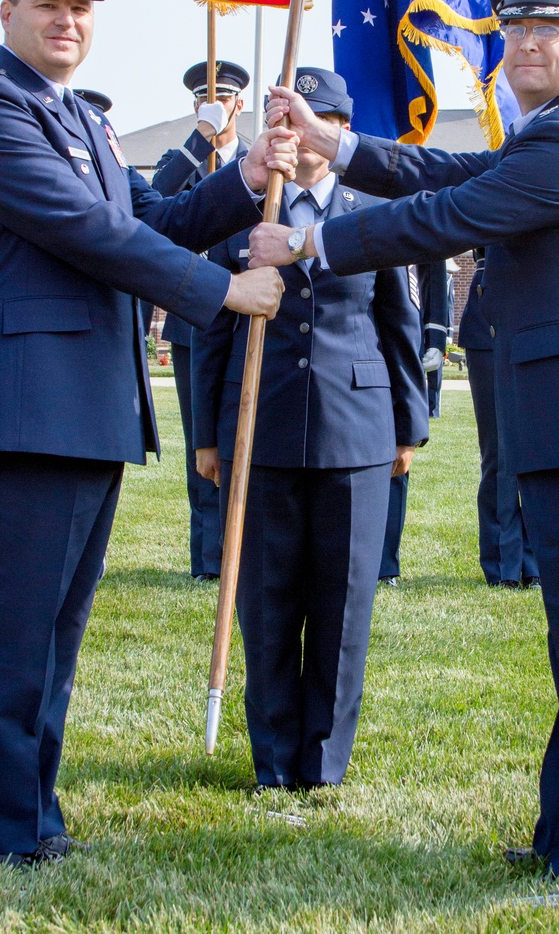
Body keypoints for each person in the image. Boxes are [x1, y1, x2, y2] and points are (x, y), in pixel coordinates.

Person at [249, 0, 559, 879]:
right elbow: (447, 170)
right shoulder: (554, 130)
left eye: (550, 30)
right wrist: (339, 145)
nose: (526, 42)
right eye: (515, 28)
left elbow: (447, 215)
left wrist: (312, 240)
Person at [0, 0, 291, 869]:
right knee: (16, 632)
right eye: (48, 3)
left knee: (56, 634)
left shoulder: (79, 118)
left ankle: (32, 812)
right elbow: (90, 233)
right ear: (6, 9)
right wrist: (222, 290)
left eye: (82, 6)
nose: (67, 19)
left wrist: (245, 178)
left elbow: (154, 217)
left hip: (84, 406)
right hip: (27, 407)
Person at [191, 67, 428, 792]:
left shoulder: (370, 212)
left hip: (355, 430)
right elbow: (211, 331)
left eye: (307, 118)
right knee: (266, 603)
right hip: (258, 425)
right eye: (281, 120)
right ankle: (273, 762)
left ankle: (323, 762)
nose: (292, 134)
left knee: (343, 603)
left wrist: (407, 428)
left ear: (334, 125)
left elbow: (400, 327)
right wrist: (207, 434)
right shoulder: (240, 210)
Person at [150, 59, 249, 581]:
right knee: (201, 442)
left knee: (246, 439)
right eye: (203, 100)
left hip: (244, 316)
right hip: (194, 317)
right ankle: (206, 557)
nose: (213, 107)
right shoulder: (180, 159)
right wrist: (200, 139)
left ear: (239, 102)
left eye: (223, 98)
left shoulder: (259, 159)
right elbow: (156, 204)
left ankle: (241, 549)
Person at [459, 247, 538, 588]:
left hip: (541, 307)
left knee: (539, 450)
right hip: (488, 309)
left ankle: (535, 562)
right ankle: (503, 563)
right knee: (499, 452)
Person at [378, 259, 450, 584]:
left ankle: (384, 564)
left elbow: (429, 264)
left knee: (395, 454)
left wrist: (435, 333)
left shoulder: (404, 208)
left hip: (394, 337)